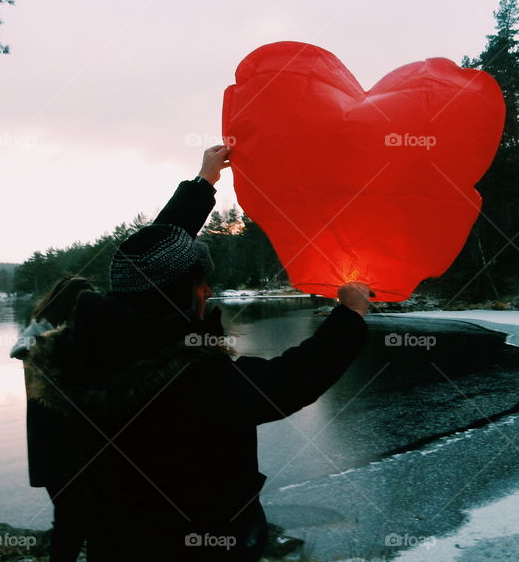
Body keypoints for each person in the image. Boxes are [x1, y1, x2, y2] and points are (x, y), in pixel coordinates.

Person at [22, 145, 372, 561]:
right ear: (177, 297)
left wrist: (204, 183)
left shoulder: (82, 346)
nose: (207, 291)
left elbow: (149, 260)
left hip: (115, 539)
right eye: (199, 284)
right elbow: (289, 381)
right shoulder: (191, 377)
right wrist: (349, 317)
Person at [10, 273, 95, 562]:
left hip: (52, 451)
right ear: (68, 306)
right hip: (61, 451)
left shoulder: (42, 340)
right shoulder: (47, 346)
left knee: (73, 519)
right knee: (74, 520)